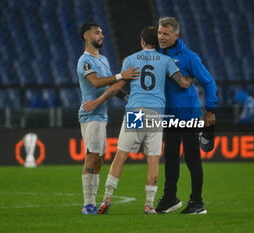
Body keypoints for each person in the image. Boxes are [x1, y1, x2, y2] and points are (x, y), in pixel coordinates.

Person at [85, 26, 191, 215]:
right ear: (157, 42)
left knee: (120, 157)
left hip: (135, 112)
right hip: (156, 114)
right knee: (153, 160)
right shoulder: (166, 61)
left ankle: (106, 199)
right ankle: (149, 205)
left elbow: (116, 87)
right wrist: (191, 76)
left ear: (142, 41)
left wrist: (97, 102)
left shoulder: (131, 60)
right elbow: (183, 83)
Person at [155, 17, 218, 214]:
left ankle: (197, 202)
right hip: (169, 114)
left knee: (192, 158)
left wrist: (210, 110)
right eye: (159, 33)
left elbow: (209, 82)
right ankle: (170, 199)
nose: (161, 37)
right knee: (171, 156)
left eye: (166, 34)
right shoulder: (156, 54)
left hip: (189, 113)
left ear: (176, 35)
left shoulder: (190, 57)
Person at [77, 22, 140, 215]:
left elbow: (110, 87)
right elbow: (96, 82)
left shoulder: (103, 59)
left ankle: (92, 202)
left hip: (101, 114)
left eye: (102, 32)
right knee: (92, 155)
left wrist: (127, 97)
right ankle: (88, 204)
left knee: (100, 159)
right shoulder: (85, 61)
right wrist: (122, 74)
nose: (101, 35)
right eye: (97, 33)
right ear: (86, 36)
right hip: (91, 113)